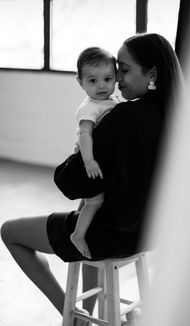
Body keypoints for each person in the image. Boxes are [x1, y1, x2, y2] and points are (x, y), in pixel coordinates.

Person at [1, 33, 183, 325]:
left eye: (123, 70)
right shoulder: (175, 115)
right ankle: (90, 314)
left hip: (112, 234)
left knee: (9, 232)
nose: (117, 80)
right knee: (88, 224)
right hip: (148, 231)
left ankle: (72, 315)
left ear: (152, 73)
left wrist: (80, 150)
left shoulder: (122, 117)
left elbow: (70, 184)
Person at [70, 47, 119, 259]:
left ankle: (80, 226)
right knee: (94, 202)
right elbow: (85, 135)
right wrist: (88, 161)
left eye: (107, 78)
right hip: (90, 163)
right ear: (80, 82)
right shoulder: (89, 107)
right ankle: (78, 235)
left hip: (100, 163)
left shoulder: (111, 101)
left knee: (93, 199)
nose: (101, 85)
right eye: (92, 81)